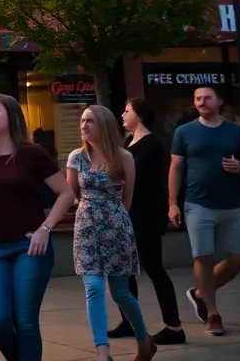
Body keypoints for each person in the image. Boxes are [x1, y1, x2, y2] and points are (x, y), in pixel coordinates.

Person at [0, 95, 75, 361]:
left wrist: (45, 228)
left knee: (26, 321)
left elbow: (66, 194)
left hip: (29, 246)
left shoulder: (33, 153)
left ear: (12, 115)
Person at [67, 105, 155, 361]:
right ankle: (102, 353)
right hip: (85, 226)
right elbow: (72, 195)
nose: (84, 125)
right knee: (93, 287)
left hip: (116, 226)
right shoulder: (76, 157)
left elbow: (127, 199)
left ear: (103, 125)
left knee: (121, 293)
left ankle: (144, 339)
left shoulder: (123, 157)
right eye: (82, 121)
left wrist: (115, 222)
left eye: (90, 121)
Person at [169, 86, 240, 336]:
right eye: (197, 98)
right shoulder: (184, 131)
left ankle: (199, 293)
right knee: (203, 257)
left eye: (206, 98)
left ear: (219, 101)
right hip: (197, 204)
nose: (201, 102)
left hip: (231, 203)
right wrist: (172, 202)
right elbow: (176, 168)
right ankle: (212, 312)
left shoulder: (236, 131)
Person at [111, 99, 184, 344]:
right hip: (128, 212)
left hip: (147, 213)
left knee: (153, 267)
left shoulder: (150, 144)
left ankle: (174, 327)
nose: (122, 114)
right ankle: (129, 321)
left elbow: (133, 175)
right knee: (126, 268)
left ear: (140, 116)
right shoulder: (128, 142)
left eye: (127, 111)